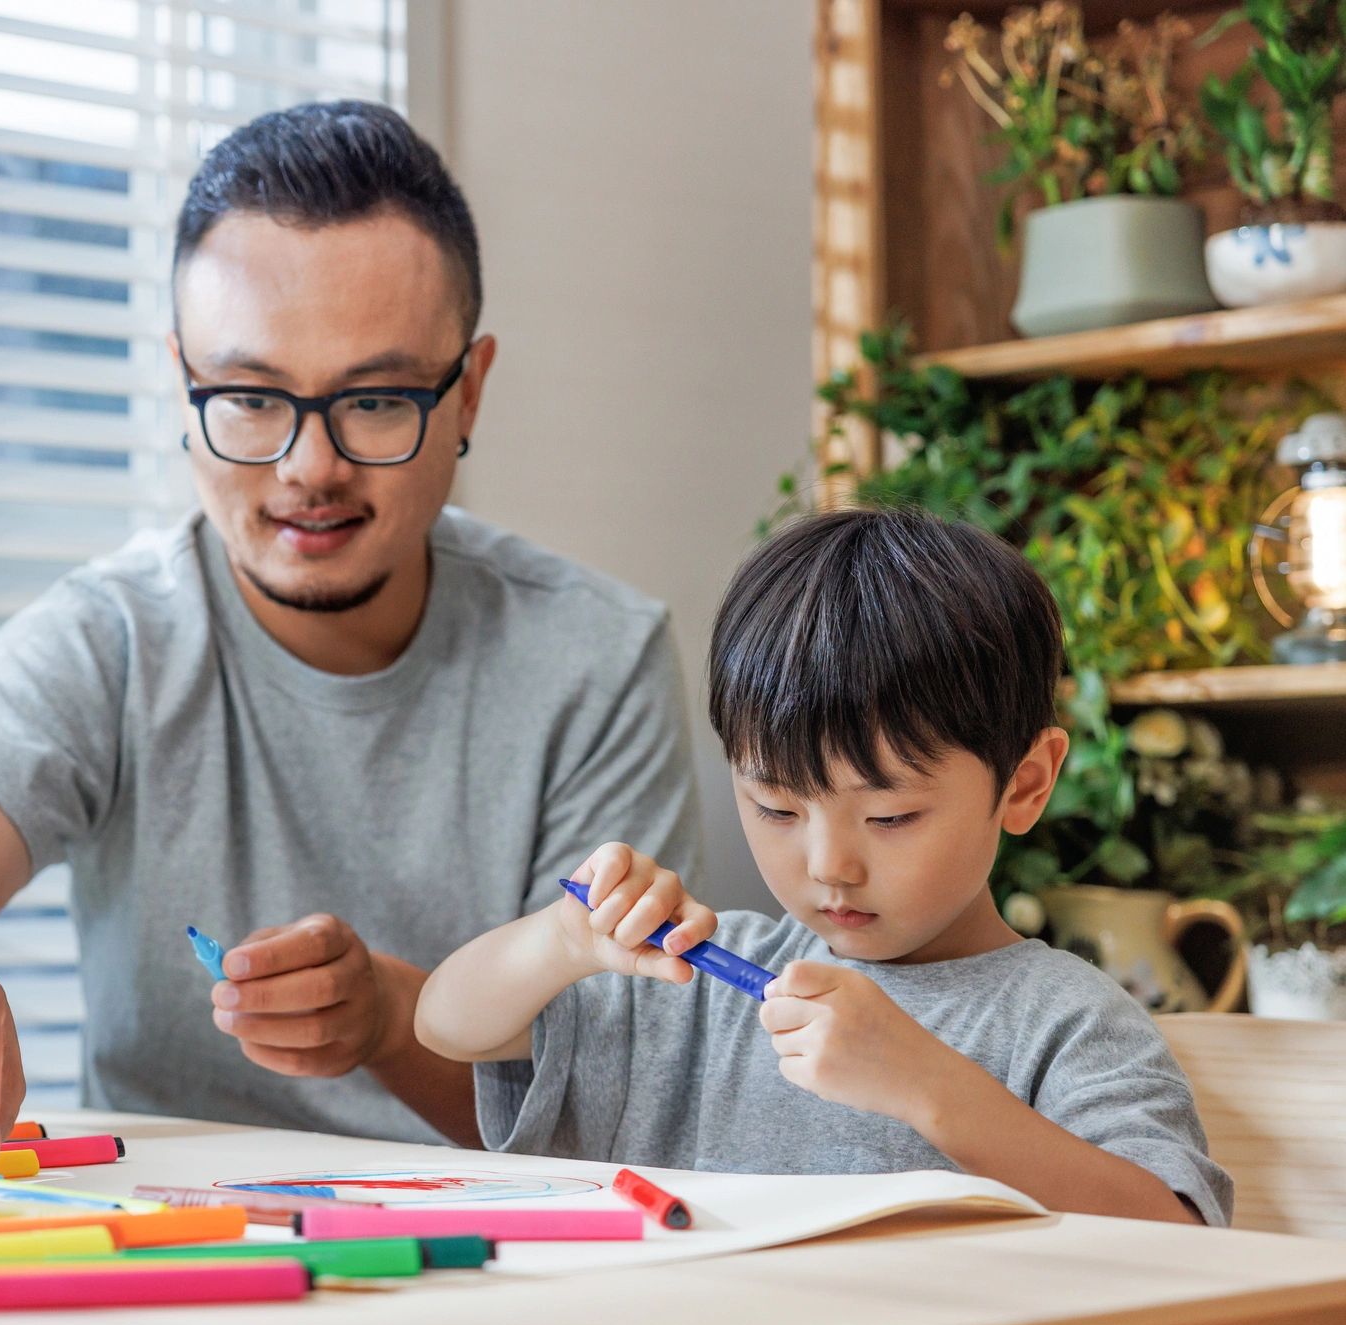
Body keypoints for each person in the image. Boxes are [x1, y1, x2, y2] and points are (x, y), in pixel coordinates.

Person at [0, 100, 702, 1163]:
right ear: (184, 383)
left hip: (501, 1258)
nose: (307, 467)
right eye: (250, 397)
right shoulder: (114, 638)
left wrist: (382, 1020)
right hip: (154, 1248)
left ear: (467, 393)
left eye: (373, 401)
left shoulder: (594, 659)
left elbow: (612, 1102)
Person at [416, 508, 1231, 1225]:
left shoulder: (1063, 1019)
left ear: (1024, 784)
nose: (828, 864)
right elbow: (445, 1025)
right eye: (775, 808)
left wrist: (930, 1089)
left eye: (890, 816)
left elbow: (1175, 1236)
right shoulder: (700, 981)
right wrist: (566, 941)